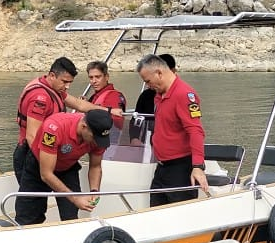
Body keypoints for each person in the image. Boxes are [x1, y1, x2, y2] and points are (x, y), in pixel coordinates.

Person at [15, 57, 117, 182]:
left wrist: (108, 110)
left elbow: (78, 104)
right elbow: (32, 136)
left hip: (54, 152)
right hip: (33, 153)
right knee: (38, 192)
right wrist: (51, 166)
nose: (67, 86)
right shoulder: (40, 98)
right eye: (64, 82)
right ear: (52, 75)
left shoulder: (53, 87)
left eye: (70, 82)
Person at [15, 108, 113, 225]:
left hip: (68, 166)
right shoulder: (54, 128)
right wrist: (75, 198)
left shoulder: (99, 136)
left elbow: (95, 167)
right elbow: (46, 174)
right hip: (39, 166)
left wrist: (94, 191)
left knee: (70, 215)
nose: (97, 143)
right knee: (28, 216)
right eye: (94, 138)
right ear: (84, 127)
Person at [136, 53, 209, 206]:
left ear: (159, 73)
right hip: (162, 167)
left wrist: (197, 166)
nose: (148, 86)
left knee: (179, 213)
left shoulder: (184, 94)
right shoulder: (159, 95)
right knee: (155, 210)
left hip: (180, 168)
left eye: (148, 81)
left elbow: (195, 131)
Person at [85, 60, 127, 131]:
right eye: (91, 77)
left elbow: (116, 123)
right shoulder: (96, 96)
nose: (94, 81)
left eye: (98, 77)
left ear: (106, 77)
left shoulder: (113, 96)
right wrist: (87, 103)